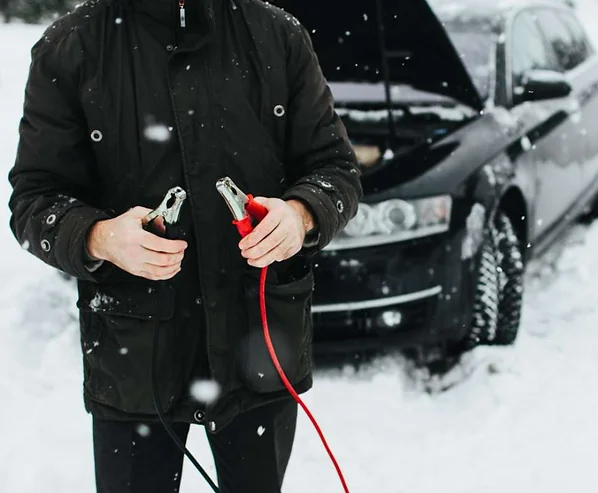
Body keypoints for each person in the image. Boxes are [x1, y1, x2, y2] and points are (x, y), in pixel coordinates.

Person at [7, 0, 362, 491]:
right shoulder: (73, 45)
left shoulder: (278, 35)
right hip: (135, 358)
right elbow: (34, 200)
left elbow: (336, 172)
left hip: (257, 346)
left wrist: (299, 215)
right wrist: (99, 237)